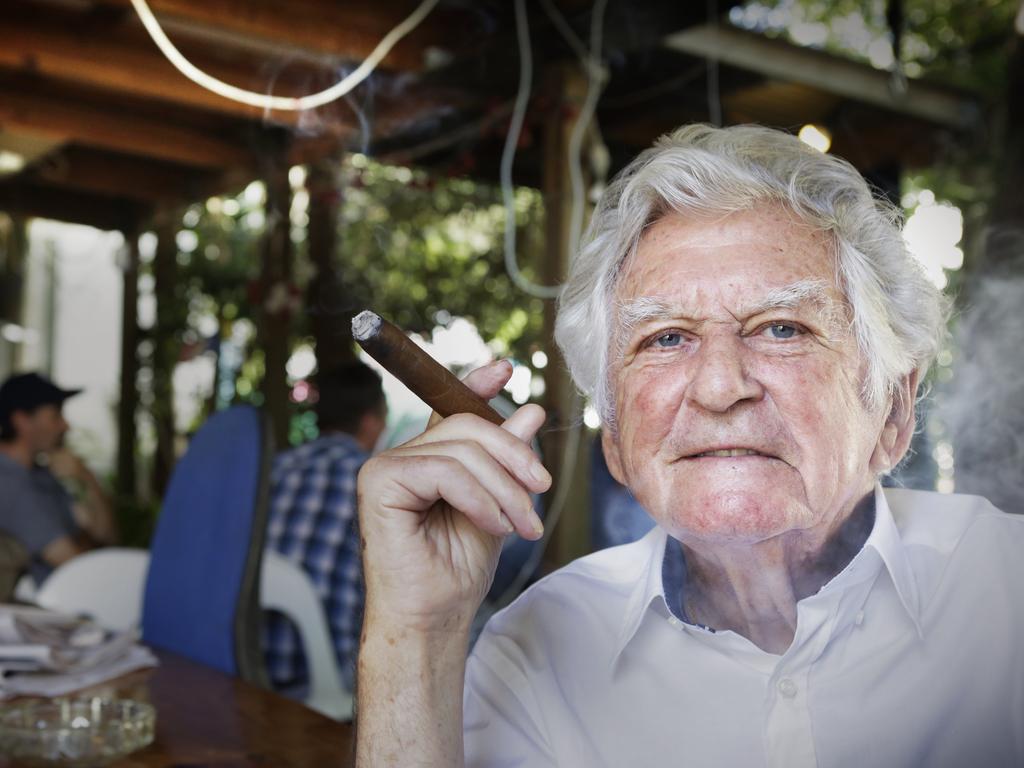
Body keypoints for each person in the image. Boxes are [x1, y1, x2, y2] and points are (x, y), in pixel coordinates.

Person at [354, 124, 1024, 767]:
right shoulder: (535, 656)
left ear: (894, 412)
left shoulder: (1006, 594)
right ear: (614, 438)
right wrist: (417, 635)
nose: (719, 386)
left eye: (782, 328)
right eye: (666, 338)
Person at [263, 361, 387, 694]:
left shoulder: (276, 468)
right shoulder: (377, 483)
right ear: (371, 422)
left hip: (249, 663)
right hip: (328, 678)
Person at [0, 372, 117, 585]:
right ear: (22, 421)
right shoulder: (8, 482)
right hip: (43, 610)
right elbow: (75, 565)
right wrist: (87, 542)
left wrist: (86, 477)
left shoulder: (42, 474)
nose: (66, 426)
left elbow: (105, 534)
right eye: (56, 416)